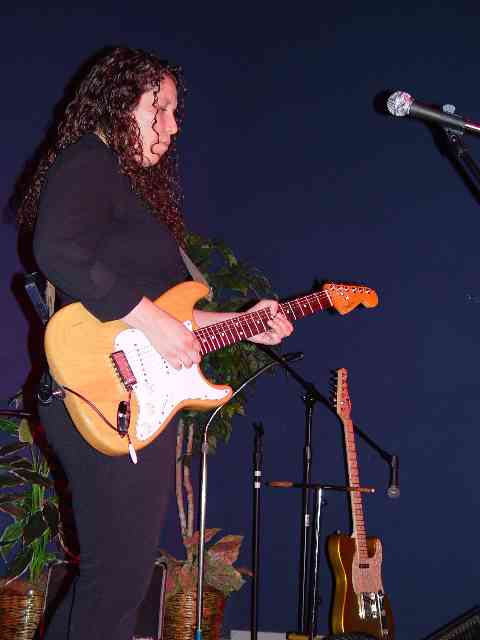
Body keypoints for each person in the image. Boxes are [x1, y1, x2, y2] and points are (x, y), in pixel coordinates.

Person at [16, 46, 293, 640]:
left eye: (174, 111)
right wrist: (152, 321)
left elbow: (174, 316)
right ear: (118, 104)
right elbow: (57, 249)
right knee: (117, 581)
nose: (173, 125)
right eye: (158, 108)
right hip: (98, 392)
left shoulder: (125, 190)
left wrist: (245, 320)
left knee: (116, 579)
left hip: (133, 396)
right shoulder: (89, 157)